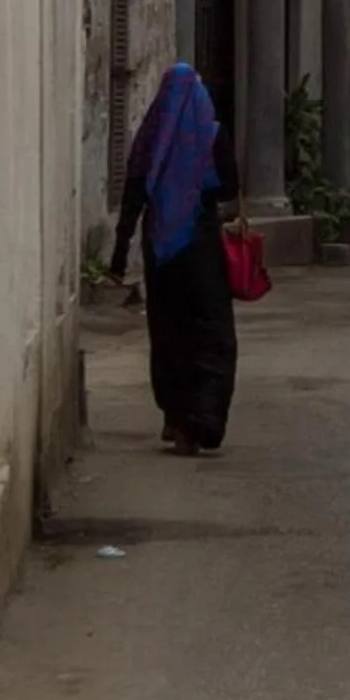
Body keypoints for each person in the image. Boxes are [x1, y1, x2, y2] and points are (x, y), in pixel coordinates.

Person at [109, 61, 241, 456]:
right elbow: (229, 187)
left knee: (170, 334)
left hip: (161, 250)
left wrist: (119, 254)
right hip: (200, 248)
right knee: (210, 331)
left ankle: (176, 418)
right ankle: (204, 420)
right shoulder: (211, 134)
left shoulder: (151, 137)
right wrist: (196, 189)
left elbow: (133, 195)